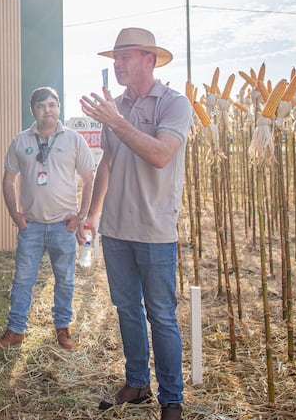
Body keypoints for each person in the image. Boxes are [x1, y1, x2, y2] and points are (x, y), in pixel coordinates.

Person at [79, 28, 191, 420]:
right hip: (116, 229)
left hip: (155, 229)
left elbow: (160, 155)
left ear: (150, 60)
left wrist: (117, 121)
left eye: (125, 57)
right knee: (127, 309)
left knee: (161, 315)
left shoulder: (174, 104)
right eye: (115, 58)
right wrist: (93, 214)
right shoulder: (116, 106)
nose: (118, 64)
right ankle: (137, 383)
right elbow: (107, 162)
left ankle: (172, 399)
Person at [0, 87, 95, 350]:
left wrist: (81, 216)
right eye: (41, 106)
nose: (47, 110)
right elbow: (8, 179)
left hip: (64, 226)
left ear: (58, 107)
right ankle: (16, 330)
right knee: (22, 280)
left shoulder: (74, 140)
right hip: (32, 226)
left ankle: (62, 329)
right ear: (32, 110)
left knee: (65, 280)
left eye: (51, 105)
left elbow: (88, 178)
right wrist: (15, 214)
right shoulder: (20, 141)